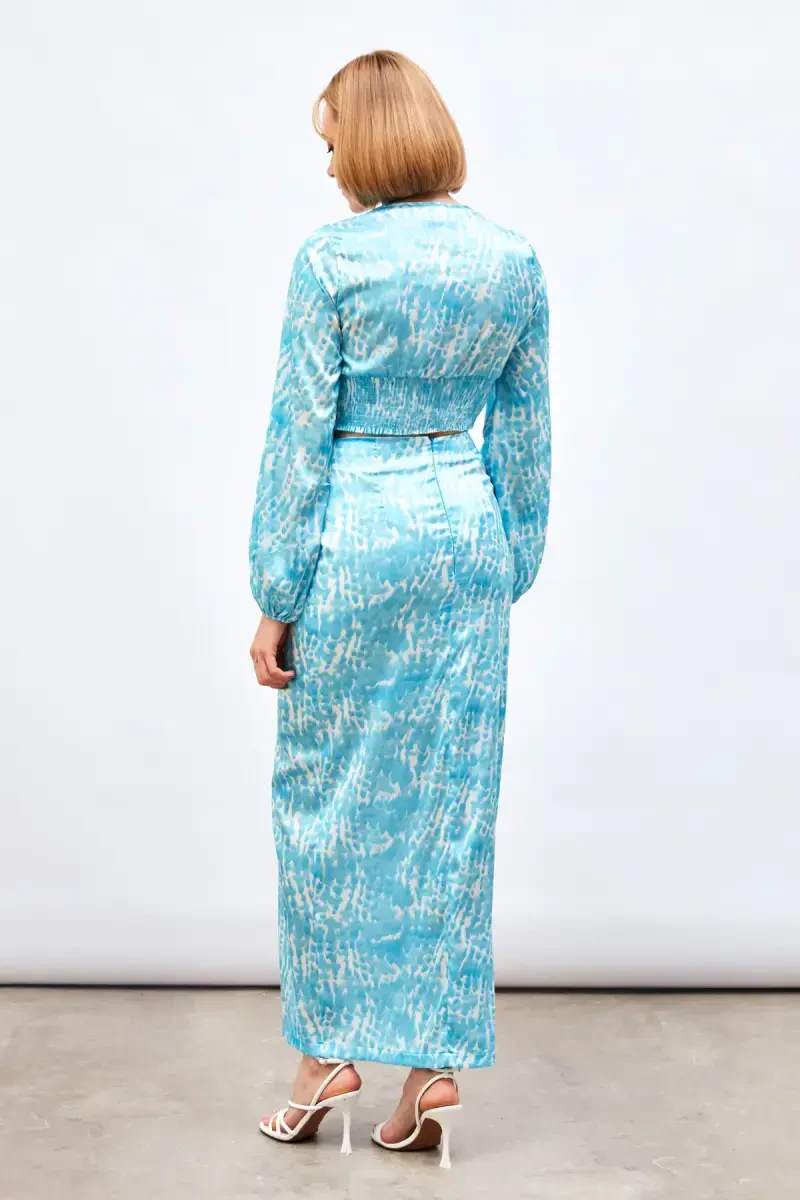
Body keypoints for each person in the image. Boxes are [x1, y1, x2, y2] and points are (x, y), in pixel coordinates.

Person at [248, 49, 551, 1168]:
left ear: (366, 143)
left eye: (332, 142)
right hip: (464, 529)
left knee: (325, 797)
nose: (328, 166)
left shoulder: (331, 261)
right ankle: (432, 1068)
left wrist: (276, 594)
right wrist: (504, 561)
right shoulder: (511, 259)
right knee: (449, 803)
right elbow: (526, 432)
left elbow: (298, 435)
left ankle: (323, 1057)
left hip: (355, 535)